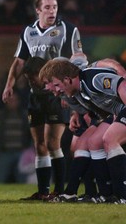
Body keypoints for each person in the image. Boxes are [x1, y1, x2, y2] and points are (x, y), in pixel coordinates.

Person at [1, 0, 83, 200]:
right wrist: (8, 85)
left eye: (54, 7)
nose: (52, 11)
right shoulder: (28, 32)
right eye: (47, 7)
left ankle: (59, 191)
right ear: (37, 10)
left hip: (56, 94)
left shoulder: (68, 30)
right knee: (39, 144)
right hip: (35, 95)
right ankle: (43, 191)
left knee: (52, 142)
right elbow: (19, 61)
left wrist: (70, 93)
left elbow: (78, 59)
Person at [39, 58, 126, 203]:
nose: (56, 90)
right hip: (120, 111)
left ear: (67, 79)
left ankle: (122, 195)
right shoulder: (81, 91)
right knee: (94, 142)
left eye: (56, 85)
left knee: (110, 139)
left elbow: (121, 83)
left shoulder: (92, 79)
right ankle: (106, 194)